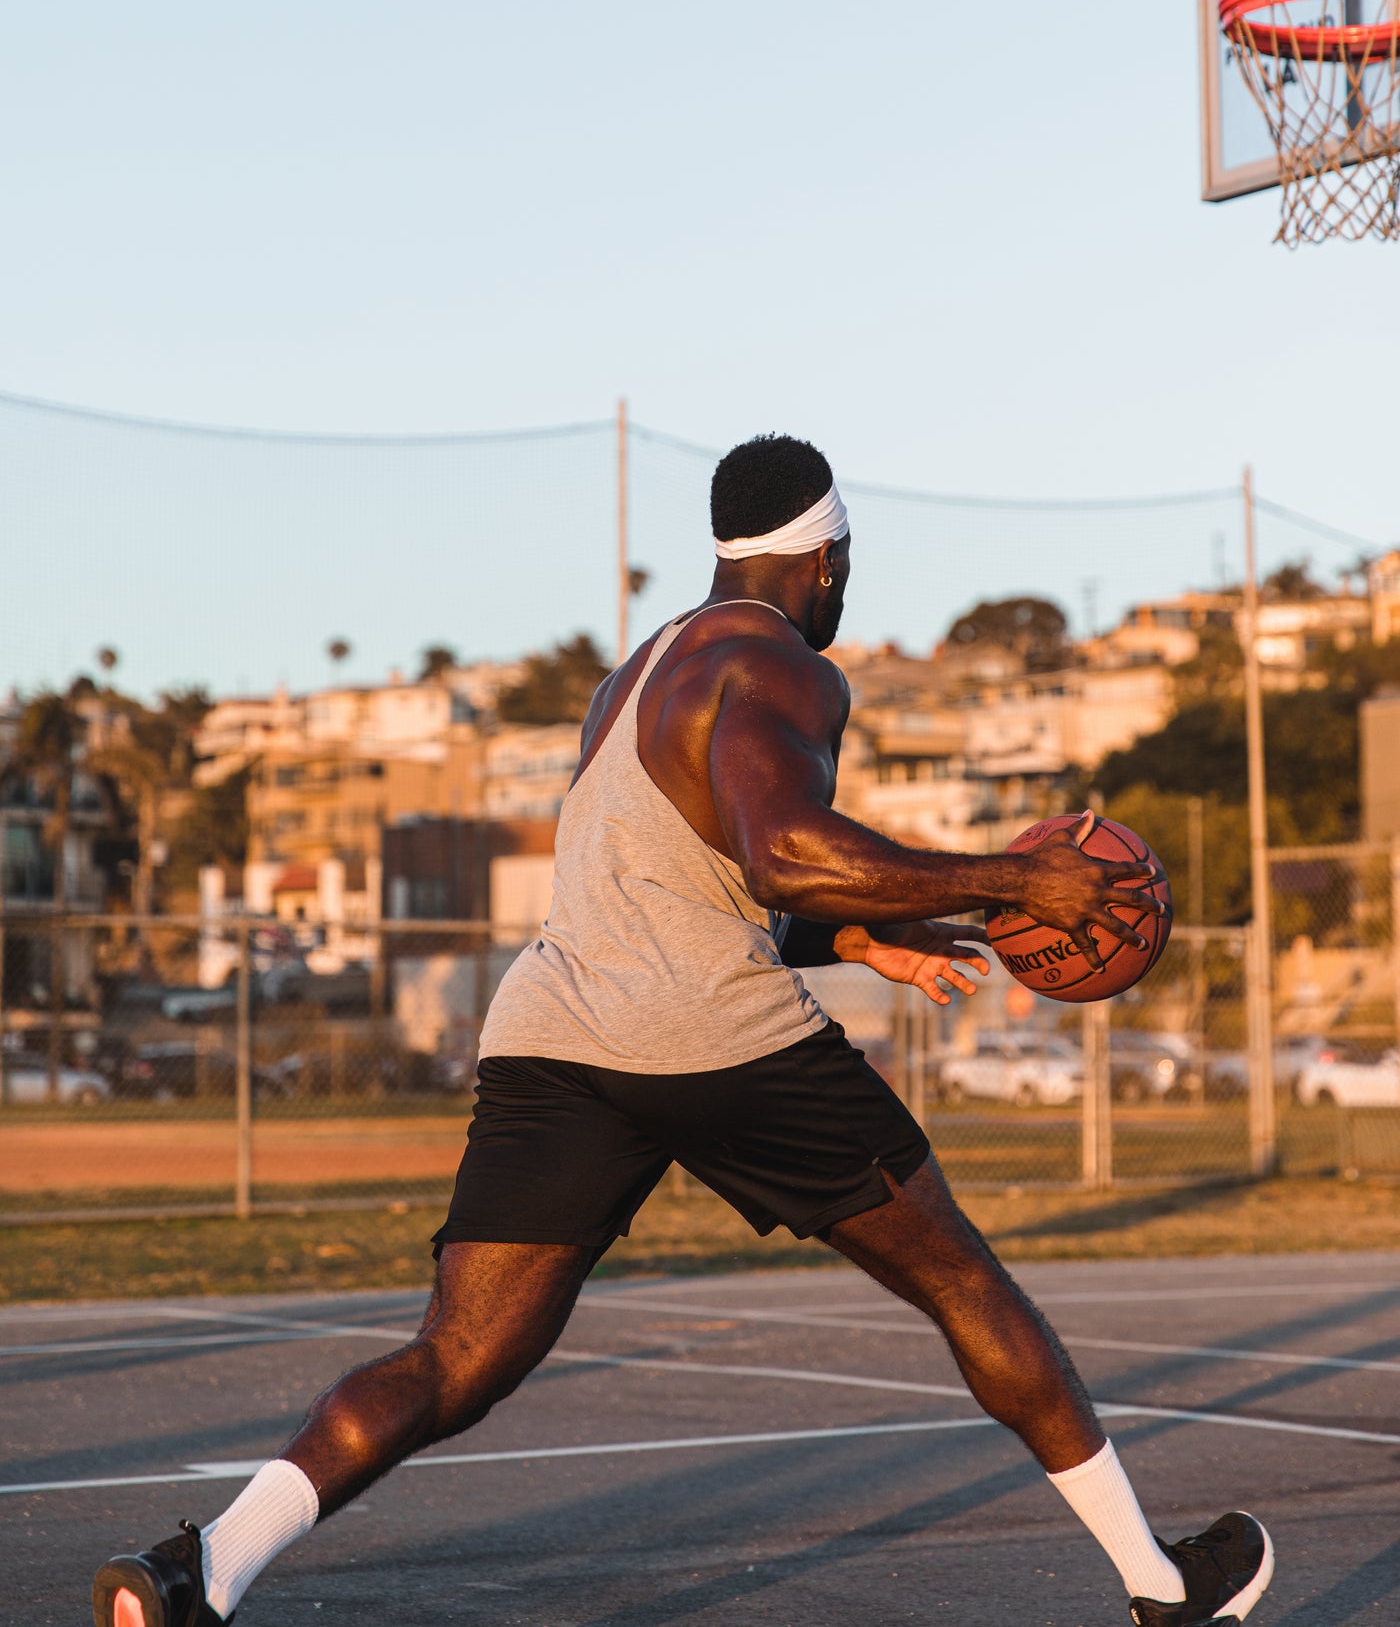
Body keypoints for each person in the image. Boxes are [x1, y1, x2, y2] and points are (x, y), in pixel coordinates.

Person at [93, 435, 1273, 1627]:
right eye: (846, 565)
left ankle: (201, 1573)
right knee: (962, 1281)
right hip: (713, 1037)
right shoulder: (785, 667)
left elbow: (702, 874)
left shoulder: (641, 671)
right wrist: (1016, 885)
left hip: (556, 1033)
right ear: (825, 556)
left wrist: (855, 939)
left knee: (451, 1359)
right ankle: (1159, 1586)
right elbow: (785, 850)